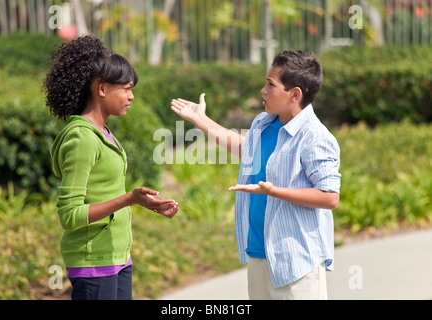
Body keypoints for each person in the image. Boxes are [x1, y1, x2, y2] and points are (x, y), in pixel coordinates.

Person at [170, 51, 341, 300]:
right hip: (259, 253)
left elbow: (329, 197)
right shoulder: (264, 122)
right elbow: (245, 149)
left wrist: (273, 191)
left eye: (271, 85)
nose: (263, 90)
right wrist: (201, 120)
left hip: (296, 263)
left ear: (295, 94)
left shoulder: (316, 137)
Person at [44, 35, 179, 300]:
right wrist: (129, 198)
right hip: (93, 261)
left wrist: (143, 202)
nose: (131, 96)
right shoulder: (81, 138)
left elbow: (104, 192)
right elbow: (69, 215)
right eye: (126, 88)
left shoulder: (103, 132)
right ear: (102, 89)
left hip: (117, 256)